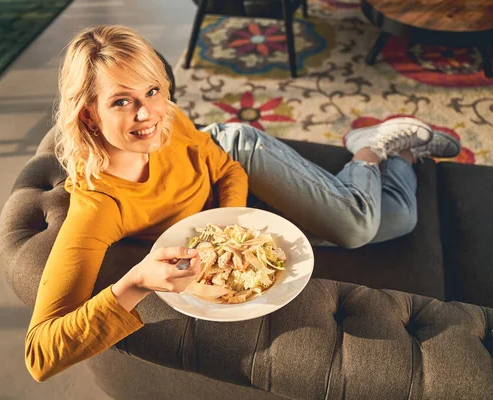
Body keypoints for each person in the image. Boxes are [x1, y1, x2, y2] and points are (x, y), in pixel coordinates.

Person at [24, 25, 461, 382]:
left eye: (153, 90)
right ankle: (396, 153)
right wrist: (134, 283)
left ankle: (365, 150)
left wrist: (233, 228)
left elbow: (227, 168)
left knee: (358, 227)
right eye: (122, 101)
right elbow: (40, 353)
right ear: (88, 114)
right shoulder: (98, 207)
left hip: (241, 151)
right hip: (231, 215)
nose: (149, 114)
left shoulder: (167, 120)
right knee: (399, 217)